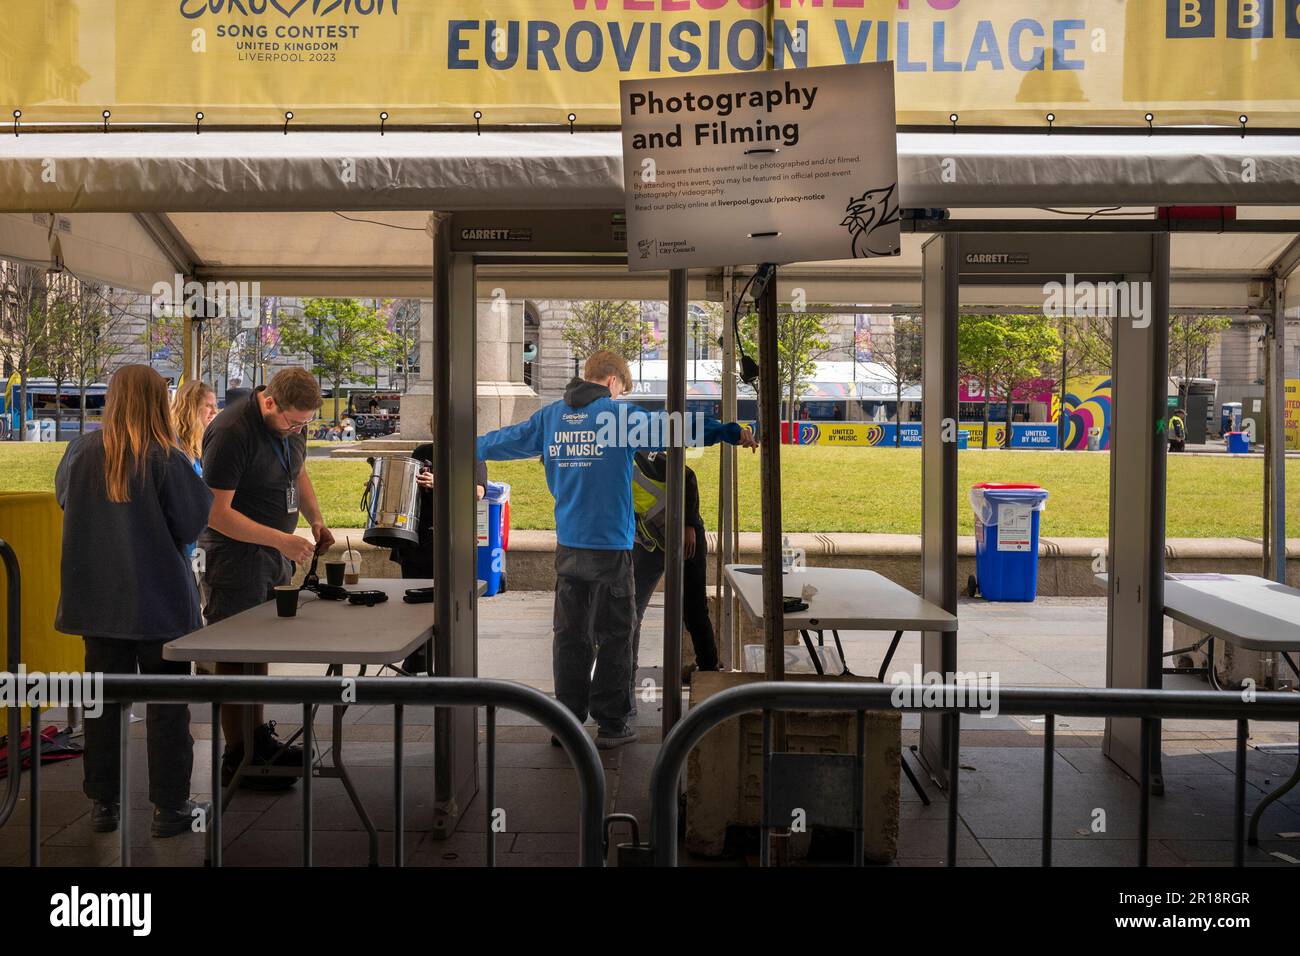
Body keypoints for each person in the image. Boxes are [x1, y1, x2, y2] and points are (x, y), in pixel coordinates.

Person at [476, 350, 756, 749]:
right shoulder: (617, 418)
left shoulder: (550, 418)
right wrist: (728, 431)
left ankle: (567, 722)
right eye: (621, 389)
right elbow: (677, 428)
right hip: (611, 549)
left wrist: (467, 446)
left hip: (569, 546)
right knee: (615, 635)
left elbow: (504, 441)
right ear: (612, 383)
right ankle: (612, 724)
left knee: (569, 637)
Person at [54, 364, 214, 838]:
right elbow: (191, 523)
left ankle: (104, 803)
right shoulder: (166, 457)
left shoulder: (81, 450)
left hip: (98, 603)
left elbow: (65, 500)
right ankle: (170, 807)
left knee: (102, 705)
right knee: (169, 707)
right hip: (160, 603)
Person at [197, 367, 335, 789]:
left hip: (271, 552)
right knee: (233, 654)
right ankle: (235, 756)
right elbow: (216, 514)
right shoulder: (231, 431)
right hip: (235, 556)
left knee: (256, 652)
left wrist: (315, 520)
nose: (297, 429)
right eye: (293, 421)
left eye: (306, 424)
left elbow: (299, 472)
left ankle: (256, 742)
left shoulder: (293, 425)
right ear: (269, 401)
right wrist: (281, 540)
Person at [630, 452, 719, 697]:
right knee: (631, 608)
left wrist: (690, 524)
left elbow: (687, 475)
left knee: (693, 609)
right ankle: (627, 674)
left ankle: (709, 670)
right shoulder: (612, 466)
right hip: (649, 543)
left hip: (684, 538)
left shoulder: (641, 457)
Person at [172, 381, 218, 561]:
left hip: (200, 545)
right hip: (182, 547)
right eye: (208, 406)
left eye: (215, 406)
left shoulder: (202, 444)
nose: (214, 411)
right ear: (190, 408)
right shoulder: (174, 447)